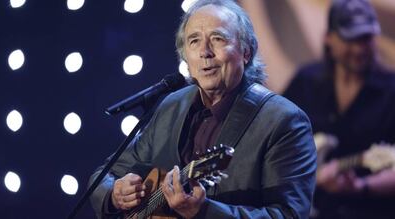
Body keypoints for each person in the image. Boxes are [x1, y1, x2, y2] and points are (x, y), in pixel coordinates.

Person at [89, 0, 316, 218]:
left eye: (218, 38)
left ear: (246, 52)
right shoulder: (170, 106)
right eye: (194, 41)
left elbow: (288, 215)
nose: (205, 52)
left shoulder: (283, 121)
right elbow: (105, 175)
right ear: (185, 57)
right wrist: (115, 193)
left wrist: (203, 212)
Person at [283, 0, 395, 218]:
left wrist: (362, 186)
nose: (359, 48)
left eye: (366, 38)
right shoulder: (306, 80)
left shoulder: (392, 91)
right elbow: (274, 137)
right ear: (329, 38)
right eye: (350, 39)